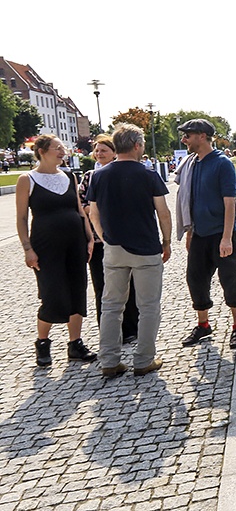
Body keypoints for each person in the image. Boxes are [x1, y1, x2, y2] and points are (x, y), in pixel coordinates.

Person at [87, 124, 172, 378]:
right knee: (148, 306)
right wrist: (166, 242)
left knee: (111, 305)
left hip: (114, 249)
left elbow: (93, 213)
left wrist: (105, 238)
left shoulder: (99, 175)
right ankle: (143, 359)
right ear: (137, 146)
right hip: (145, 248)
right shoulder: (148, 175)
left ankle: (110, 361)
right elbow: (163, 213)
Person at [15, 135, 97, 367]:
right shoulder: (27, 179)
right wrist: (27, 249)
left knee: (77, 291)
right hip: (45, 246)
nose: (63, 152)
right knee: (52, 294)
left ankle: (75, 344)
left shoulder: (70, 176)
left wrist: (89, 238)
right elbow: (21, 218)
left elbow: (80, 211)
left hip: (75, 243)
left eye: (63, 148)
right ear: (41, 151)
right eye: (57, 148)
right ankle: (42, 342)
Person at [176, 118, 236, 349]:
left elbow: (229, 203)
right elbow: (191, 200)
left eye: (189, 134)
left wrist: (226, 238)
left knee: (230, 280)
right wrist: (190, 232)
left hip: (221, 233)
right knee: (195, 279)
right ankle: (203, 326)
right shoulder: (192, 163)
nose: (185, 139)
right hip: (200, 234)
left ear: (203, 136)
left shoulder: (222, 163)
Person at [79, 134, 140, 343]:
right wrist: (93, 209)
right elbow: (81, 203)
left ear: (114, 152)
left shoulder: (119, 174)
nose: (99, 154)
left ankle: (131, 328)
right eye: (96, 150)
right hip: (98, 241)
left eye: (103, 150)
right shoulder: (90, 176)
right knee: (102, 288)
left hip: (122, 237)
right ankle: (108, 332)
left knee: (128, 286)